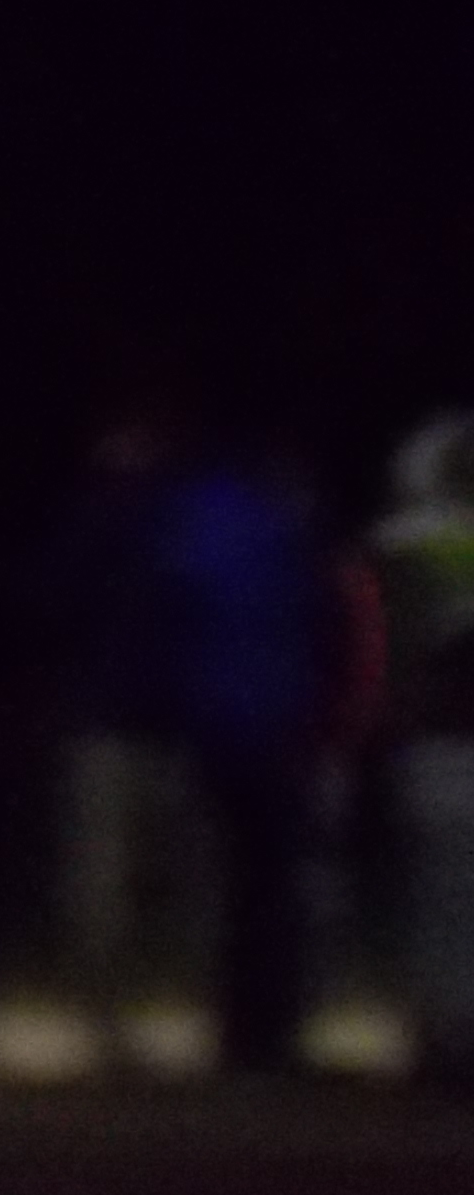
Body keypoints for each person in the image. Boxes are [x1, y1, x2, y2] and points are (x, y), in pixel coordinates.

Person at [158, 434, 333, 1078]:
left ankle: (240, 1031)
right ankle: (266, 1033)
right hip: (267, 726)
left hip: (214, 727)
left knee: (237, 889)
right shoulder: (275, 528)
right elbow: (306, 620)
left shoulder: (195, 521)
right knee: (272, 888)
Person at [48, 409, 201, 1072]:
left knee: (152, 882)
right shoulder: (91, 528)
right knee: (103, 882)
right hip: (104, 727)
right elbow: (54, 613)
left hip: (162, 725)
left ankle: (129, 1020)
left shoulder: (174, 528)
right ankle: (100, 1023)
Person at [371, 414, 474, 1088]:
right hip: (440, 746)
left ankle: (441, 1033)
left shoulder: (405, 543)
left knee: (439, 898)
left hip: (432, 748)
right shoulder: (416, 544)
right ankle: (444, 1034)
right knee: (445, 896)